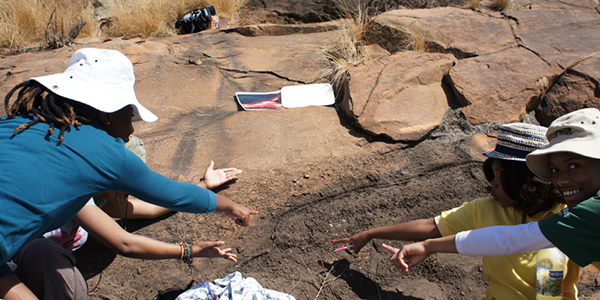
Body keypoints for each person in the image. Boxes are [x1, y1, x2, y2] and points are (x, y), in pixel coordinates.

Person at [0, 48, 258, 299]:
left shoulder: (16, 125)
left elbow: (147, 214)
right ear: (106, 113)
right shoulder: (104, 153)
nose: (132, 128)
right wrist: (231, 207)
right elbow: (173, 196)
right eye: (130, 112)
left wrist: (203, 189)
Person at [334, 123, 581, 299]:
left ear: (524, 181)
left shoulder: (566, 221)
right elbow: (431, 227)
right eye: (492, 174)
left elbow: (549, 292)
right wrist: (371, 234)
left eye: (499, 176)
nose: (492, 183)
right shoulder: (488, 208)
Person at [386, 108, 600, 278]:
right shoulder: (486, 209)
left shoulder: (584, 214)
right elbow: (507, 238)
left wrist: (429, 246)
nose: (561, 179)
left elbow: (512, 239)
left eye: (574, 166)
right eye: (554, 170)